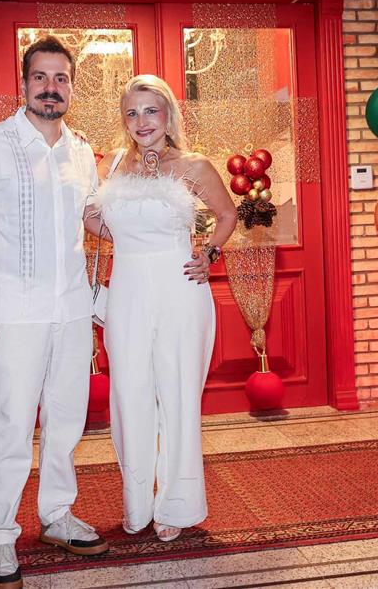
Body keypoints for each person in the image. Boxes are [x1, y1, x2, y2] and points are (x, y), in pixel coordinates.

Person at [0, 36, 109, 589]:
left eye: (61, 78)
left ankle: (57, 515)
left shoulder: (81, 151)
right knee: (12, 426)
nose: (50, 88)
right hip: (13, 313)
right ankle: (0, 536)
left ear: (71, 88)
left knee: (66, 420)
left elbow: (92, 220)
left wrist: (147, 220)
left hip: (72, 310)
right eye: (40, 77)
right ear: (24, 84)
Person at [87, 74, 237, 543]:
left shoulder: (193, 165)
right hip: (127, 290)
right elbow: (94, 217)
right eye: (132, 113)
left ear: (169, 114)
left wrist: (209, 254)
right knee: (129, 395)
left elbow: (227, 214)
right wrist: (111, 229)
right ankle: (136, 502)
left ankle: (176, 504)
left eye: (150, 110)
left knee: (177, 397)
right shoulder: (113, 165)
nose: (141, 121)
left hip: (179, 289)